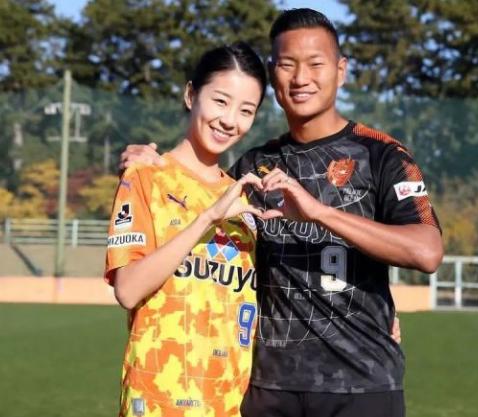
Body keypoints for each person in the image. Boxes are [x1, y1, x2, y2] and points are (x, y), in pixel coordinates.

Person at [120, 8, 442, 417]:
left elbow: (426, 251)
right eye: (288, 64)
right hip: (266, 391)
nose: (301, 77)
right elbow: (189, 198)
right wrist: (143, 162)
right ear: (273, 74)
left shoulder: (381, 154)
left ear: (341, 70)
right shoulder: (252, 166)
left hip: (362, 384)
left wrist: (320, 213)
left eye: (315, 64)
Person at [104, 42, 268, 417]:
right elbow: (128, 290)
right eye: (221, 101)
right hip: (157, 401)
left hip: (229, 404)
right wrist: (207, 218)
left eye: (246, 111)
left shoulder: (244, 197)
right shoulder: (145, 177)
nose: (230, 120)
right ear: (191, 94)